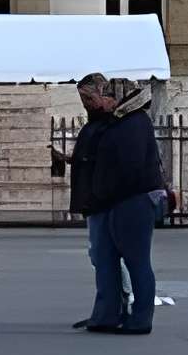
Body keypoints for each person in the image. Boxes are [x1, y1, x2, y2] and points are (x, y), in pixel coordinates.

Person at [54, 72, 162, 335]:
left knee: (137, 261)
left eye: (109, 96)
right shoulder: (114, 122)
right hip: (111, 200)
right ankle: (107, 315)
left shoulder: (134, 122)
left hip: (131, 201)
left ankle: (140, 319)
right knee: (106, 260)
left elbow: (130, 166)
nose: (105, 100)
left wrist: (105, 191)